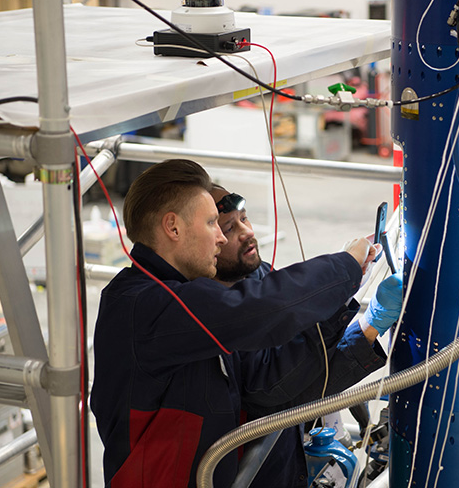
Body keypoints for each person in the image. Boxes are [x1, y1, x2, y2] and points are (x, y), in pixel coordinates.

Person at [90, 159, 402, 488]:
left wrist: (364, 323)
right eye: (214, 223)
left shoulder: (186, 293)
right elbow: (257, 307)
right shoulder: (146, 305)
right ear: (173, 227)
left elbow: (270, 380)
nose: (224, 239)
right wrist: (345, 268)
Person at [208, 184, 402, 488]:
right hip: (257, 472)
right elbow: (275, 389)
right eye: (229, 227)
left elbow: (308, 372)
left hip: (287, 455)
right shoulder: (218, 309)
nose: (246, 232)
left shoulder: (254, 273)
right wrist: (339, 287)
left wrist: (369, 326)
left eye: (244, 218)